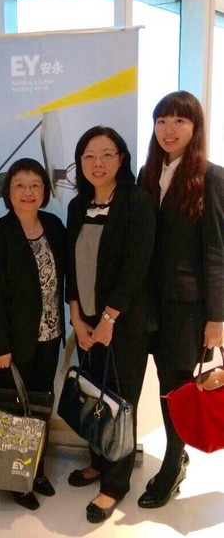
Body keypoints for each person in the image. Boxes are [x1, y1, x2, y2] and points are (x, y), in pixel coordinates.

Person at [137, 90, 224, 508]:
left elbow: (217, 252)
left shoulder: (212, 177)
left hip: (187, 307)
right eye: (162, 121)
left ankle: (173, 461)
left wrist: (217, 317)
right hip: (147, 302)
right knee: (162, 381)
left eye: (180, 121)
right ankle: (177, 451)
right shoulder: (146, 173)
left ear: (195, 128)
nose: (169, 130)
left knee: (177, 384)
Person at [66, 125, 156, 524]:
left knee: (120, 401)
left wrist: (108, 319)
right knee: (92, 393)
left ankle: (115, 483)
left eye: (106, 154)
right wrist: (76, 315)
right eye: (88, 155)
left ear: (121, 158)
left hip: (125, 324)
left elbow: (136, 266)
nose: (97, 163)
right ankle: (98, 461)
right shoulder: (76, 205)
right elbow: (71, 264)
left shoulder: (137, 202)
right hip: (85, 319)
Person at [0, 157, 66, 511]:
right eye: (19, 185)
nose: (27, 192)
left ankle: (38, 469)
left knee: (40, 407)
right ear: (8, 191)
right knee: (15, 411)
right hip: (13, 345)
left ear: (44, 191)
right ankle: (16, 480)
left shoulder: (54, 226)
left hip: (50, 337)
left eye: (35, 185)